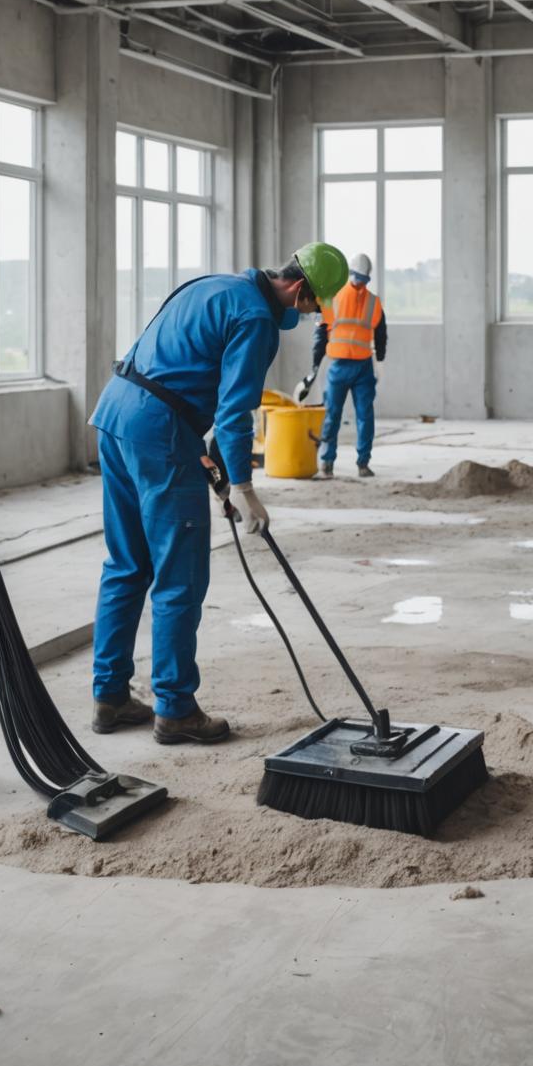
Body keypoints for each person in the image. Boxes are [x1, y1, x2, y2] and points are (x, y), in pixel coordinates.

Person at [88, 243, 349, 746]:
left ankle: (111, 697)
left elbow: (181, 368)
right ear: (299, 290)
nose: (310, 314)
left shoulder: (211, 285)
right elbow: (234, 412)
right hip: (159, 431)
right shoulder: (256, 318)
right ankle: (176, 708)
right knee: (178, 576)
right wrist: (246, 487)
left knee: (126, 565)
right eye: (314, 305)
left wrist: (210, 458)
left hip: (117, 416)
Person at [301, 251, 387, 478]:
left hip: (362, 366)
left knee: (365, 415)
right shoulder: (333, 299)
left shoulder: (373, 302)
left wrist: (380, 361)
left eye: (364, 278)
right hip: (339, 364)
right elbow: (320, 334)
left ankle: (363, 463)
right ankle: (327, 462)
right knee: (332, 415)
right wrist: (315, 365)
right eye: (358, 276)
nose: (360, 282)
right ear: (351, 274)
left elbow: (381, 334)